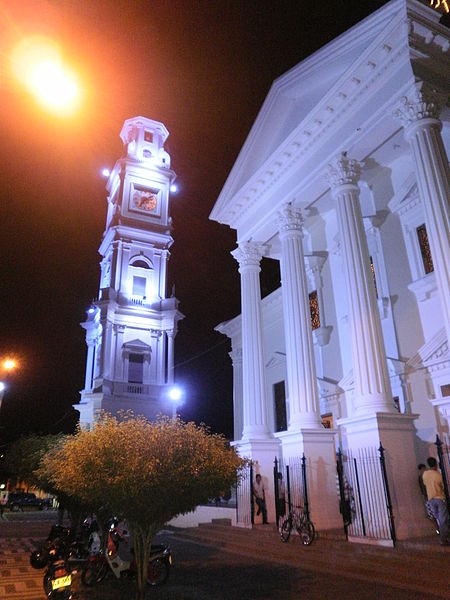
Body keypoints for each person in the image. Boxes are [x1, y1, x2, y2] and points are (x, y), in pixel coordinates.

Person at [422, 457, 449, 546]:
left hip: (430, 499)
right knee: (443, 519)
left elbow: (425, 484)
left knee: (438, 519)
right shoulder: (438, 475)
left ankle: (444, 536)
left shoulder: (425, 474)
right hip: (440, 497)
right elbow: (443, 485)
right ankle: (443, 539)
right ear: (436, 464)